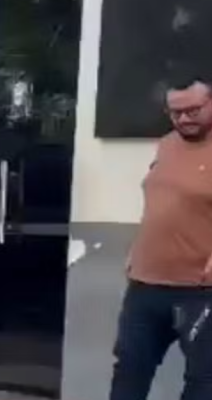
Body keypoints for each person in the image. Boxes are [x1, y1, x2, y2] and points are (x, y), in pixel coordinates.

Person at [110, 70, 212, 400]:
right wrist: (136, 249)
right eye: (175, 112)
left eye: (193, 110)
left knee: (203, 380)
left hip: (199, 291)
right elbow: (162, 200)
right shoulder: (167, 144)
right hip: (145, 284)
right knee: (129, 371)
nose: (184, 119)